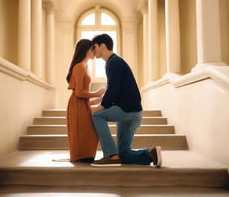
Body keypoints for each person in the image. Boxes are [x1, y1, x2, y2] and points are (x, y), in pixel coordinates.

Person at [90, 34, 162, 167]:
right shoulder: (114, 62)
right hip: (133, 113)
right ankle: (150, 153)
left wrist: (101, 106)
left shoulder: (113, 62)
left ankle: (111, 156)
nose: (93, 51)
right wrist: (101, 99)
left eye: (94, 47)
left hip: (127, 111)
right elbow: (114, 88)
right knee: (124, 154)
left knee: (97, 115)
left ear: (102, 46)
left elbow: (114, 89)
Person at [66, 39, 105, 163]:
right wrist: (96, 93)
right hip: (77, 104)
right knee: (83, 132)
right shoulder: (79, 66)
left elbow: (81, 93)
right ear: (86, 50)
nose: (94, 51)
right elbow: (78, 92)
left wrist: (94, 100)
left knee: (88, 132)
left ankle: (85, 157)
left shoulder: (84, 66)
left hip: (81, 103)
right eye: (92, 49)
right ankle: (82, 157)